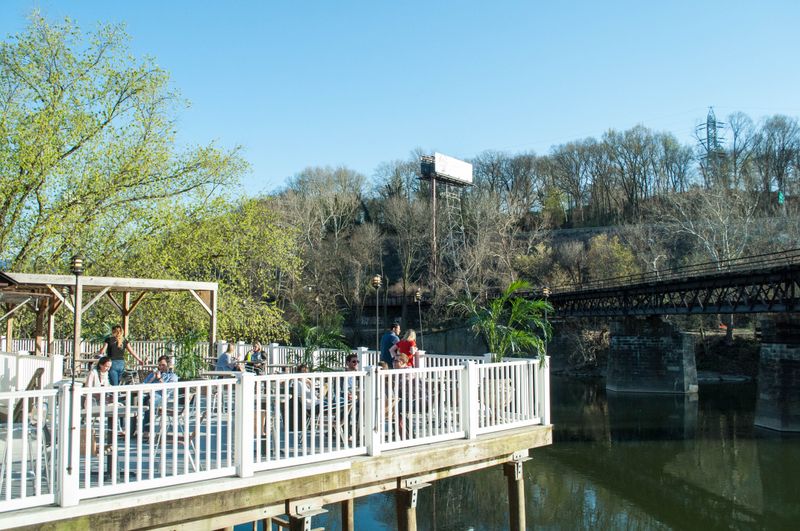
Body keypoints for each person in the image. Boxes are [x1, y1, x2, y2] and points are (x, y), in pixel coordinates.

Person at [137, 355, 179, 436]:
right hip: (147, 394)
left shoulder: (173, 376)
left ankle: (146, 430)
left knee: (150, 401)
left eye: (163, 365)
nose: (160, 367)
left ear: (168, 365)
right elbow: (143, 385)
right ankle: (130, 430)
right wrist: (153, 378)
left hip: (161, 398)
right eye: (159, 365)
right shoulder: (153, 374)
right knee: (132, 400)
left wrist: (160, 379)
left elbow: (167, 390)